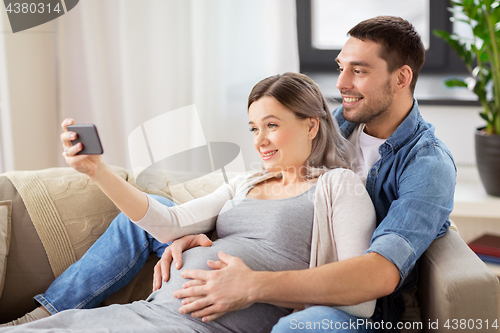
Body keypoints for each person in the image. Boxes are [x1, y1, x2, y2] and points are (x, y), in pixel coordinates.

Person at [0, 72, 378, 333]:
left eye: (272, 125)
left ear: (311, 125)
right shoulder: (246, 182)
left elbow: (360, 298)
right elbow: (168, 221)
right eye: (253, 128)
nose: (259, 140)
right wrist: (96, 171)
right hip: (147, 312)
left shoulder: (338, 186)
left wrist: (254, 285)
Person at [154, 16, 456, 332]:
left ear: (401, 78)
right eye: (341, 68)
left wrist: (254, 285)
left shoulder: (427, 165)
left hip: (361, 308)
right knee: (143, 218)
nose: (341, 84)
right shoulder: (338, 122)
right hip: (291, 261)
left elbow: (379, 273)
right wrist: (211, 235)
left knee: (294, 328)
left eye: (359, 71)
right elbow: (271, 186)